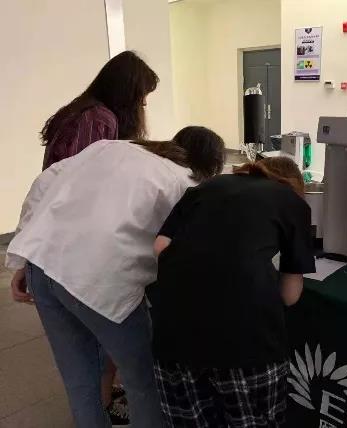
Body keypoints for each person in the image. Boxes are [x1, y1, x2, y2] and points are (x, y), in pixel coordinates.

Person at [7, 127, 226, 428]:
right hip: (98, 278)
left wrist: (21, 258)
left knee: (79, 377)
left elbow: (46, 182)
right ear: (212, 165)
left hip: (42, 263)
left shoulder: (112, 147)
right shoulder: (186, 184)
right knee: (144, 382)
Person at [39, 49, 159, 425]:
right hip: (76, 253)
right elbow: (87, 186)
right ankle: (109, 401)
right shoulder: (98, 119)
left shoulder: (79, 111)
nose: (143, 106)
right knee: (128, 370)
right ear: (126, 92)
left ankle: (101, 403)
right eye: (142, 97)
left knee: (79, 372)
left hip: (52, 247)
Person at [150, 157, 316, 427]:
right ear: (295, 185)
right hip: (247, 344)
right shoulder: (291, 201)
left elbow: (160, 248)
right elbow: (290, 295)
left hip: (174, 335)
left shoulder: (206, 187)